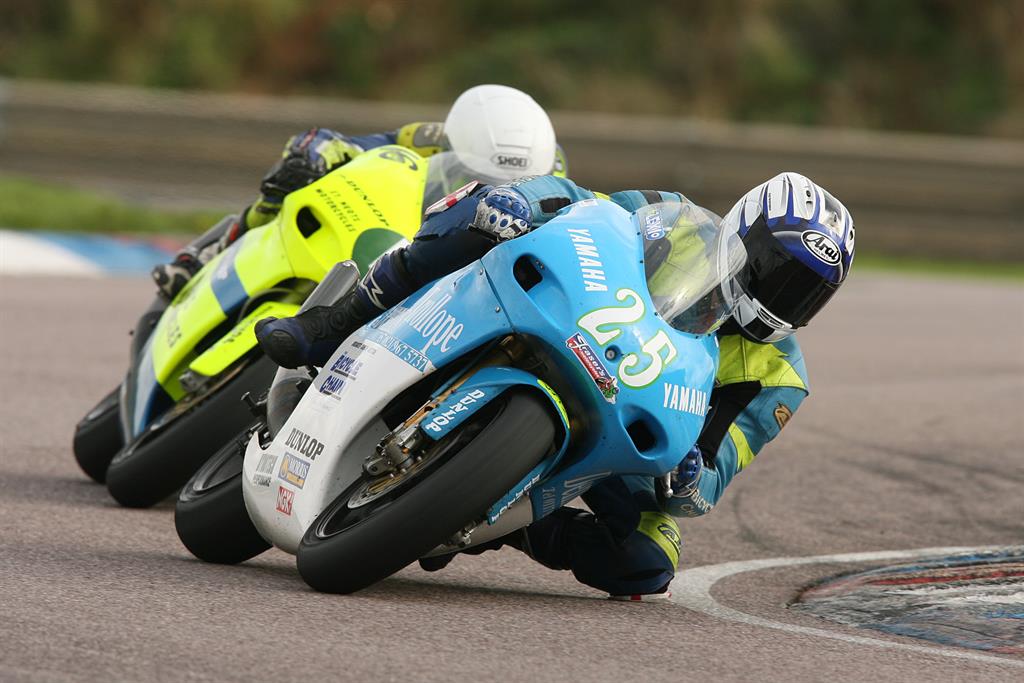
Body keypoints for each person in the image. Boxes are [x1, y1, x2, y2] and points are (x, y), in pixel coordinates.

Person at [255, 171, 856, 600]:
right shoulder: (675, 221)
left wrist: (691, 482)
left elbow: (717, 468)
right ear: (741, 234)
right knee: (484, 213)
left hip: (632, 433)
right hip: (566, 323)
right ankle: (331, 325)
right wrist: (526, 199)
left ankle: (484, 518)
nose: (779, 298)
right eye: (776, 272)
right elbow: (583, 205)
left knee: (648, 566)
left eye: (803, 292)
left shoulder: (780, 378)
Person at [151, 84, 569, 300]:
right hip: (393, 229)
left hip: (463, 270)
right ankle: (206, 253)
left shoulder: (555, 176)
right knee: (294, 176)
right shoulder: (435, 136)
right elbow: (362, 143)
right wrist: (317, 150)